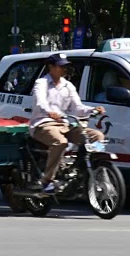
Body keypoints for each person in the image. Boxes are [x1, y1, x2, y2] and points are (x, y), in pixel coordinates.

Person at [29, 53, 106, 193]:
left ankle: (82, 168)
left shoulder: (68, 85)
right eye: (60, 66)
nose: (64, 69)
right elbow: (40, 103)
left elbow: (78, 108)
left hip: (65, 125)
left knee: (97, 137)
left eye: (65, 67)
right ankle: (47, 180)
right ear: (51, 67)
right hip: (44, 124)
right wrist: (50, 112)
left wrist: (92, 110)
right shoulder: (41, 83)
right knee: (61, 142)